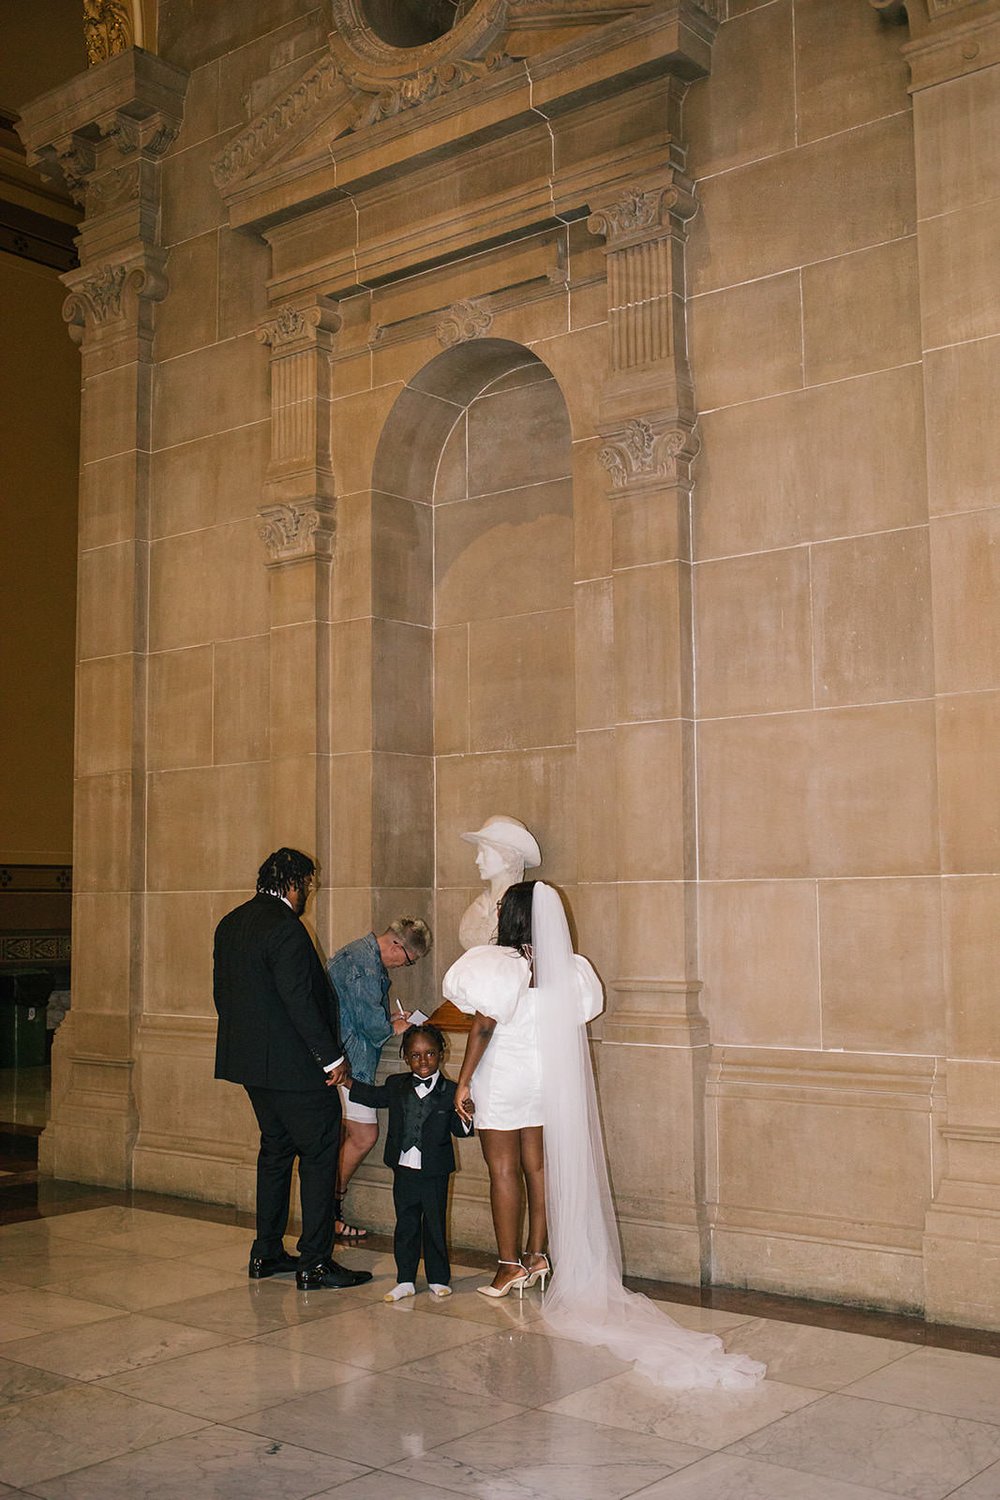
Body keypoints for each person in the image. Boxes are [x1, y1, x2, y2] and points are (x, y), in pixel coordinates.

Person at [444, 880, 765, 1390]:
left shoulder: (493, 963)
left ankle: (508, 1267)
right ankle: (538, 1254)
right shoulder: (567, 968)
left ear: (514, 916)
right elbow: (575, 1015)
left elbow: (482, 1028)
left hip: (504, 1076)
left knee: (502, 1169)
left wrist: (462, 1080)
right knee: (540, 1166)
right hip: (547, 1079)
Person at [212, 848, 372, 1292]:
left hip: (251, 1067)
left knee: (276, 1151)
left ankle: (266, 1252)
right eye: (309, 885)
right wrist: (333, 1060)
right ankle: (316, 1262)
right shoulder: (286, 929)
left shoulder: (232, 923)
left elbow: (223, 996)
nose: (309, 895)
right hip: (297, 1070)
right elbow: (300, 1000)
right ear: (295, 883)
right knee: (320, 1156)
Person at [349, 1022, 471, 1303]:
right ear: (405, 1057)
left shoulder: (452, 1090)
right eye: (415, 1055)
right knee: (406, 1224)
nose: (423, 1060)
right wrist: (346, 1081)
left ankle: (438, 1277)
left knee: (435, 1224)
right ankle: (405, 1279)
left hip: (435, 1169)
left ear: (441, 1053)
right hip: (403, 1167)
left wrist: (466, 1115)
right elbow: (372, 1096)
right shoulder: (396, 1085)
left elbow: (459, 1129)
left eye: (429, 1053)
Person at [327, 917, 432, 1240]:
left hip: (340, 1056)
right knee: (364, 1135)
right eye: (409, 961)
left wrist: (386, 1019)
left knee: (348, 1136)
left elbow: (353, 1010)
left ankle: (328, 1210)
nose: (404, 966)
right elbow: (370, 1028)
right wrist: (392, 1027)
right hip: (349, 1063)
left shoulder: (358, 954)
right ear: (398, 946)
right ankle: (330, 1207)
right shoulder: (366, 965)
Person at [458, 815, 540, 950]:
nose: (477, 860)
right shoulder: (481, 904)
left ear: (507, 857)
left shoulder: (522, 906)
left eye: (484, 853)